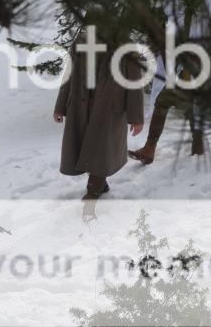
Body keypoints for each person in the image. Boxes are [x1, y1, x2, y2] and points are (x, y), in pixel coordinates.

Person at [129, 0, 211, 164]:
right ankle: (150, 148)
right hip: (174, 59)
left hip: (198, 60)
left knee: (194, 104)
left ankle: (197, 146)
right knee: (163, 100)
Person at [54, 28, 144, 216]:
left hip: (109, 110)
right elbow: (68, 76)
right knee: (85, 149)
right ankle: (99, 182)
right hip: (80, 107)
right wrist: (60, 106)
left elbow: (134, 83)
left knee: (100, 150)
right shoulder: (80, 42)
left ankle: (92, 191)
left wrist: (136, 117)